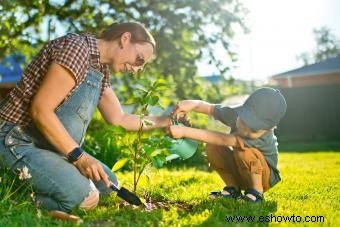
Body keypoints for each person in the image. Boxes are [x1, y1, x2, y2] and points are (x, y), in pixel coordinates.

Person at [0, 22, 171, 212]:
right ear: (125, 39)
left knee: (108, 184)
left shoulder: (101, 70)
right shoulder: (77, 48)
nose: (137, 70)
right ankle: (13, 194)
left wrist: (167, 120)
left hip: (49, 145)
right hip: (14, 139)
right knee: (86, 198)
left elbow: (120, 118)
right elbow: (41, 110)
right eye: (139, 60)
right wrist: (79, 158)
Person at [168, 87, 287, 202]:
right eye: (246, 119)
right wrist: (193, 104)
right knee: (212, 146)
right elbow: (210, 108)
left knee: (245, 151)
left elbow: (221, 139)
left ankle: (256, 193)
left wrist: (184, 131)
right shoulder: (234, 114)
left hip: (263, 177)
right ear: (243, 110)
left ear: (269, 129)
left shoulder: (262, 138)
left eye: (254, 129)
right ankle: (232, 189)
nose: (246, 130)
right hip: (241, 170)